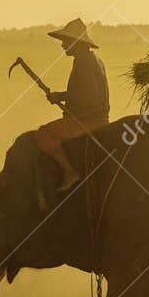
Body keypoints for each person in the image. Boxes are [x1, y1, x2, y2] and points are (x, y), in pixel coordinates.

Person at [33, 17, 111, 191]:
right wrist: (63, 97)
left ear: (76, 43)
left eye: (66, 41)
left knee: (43, 134)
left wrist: (60, 96)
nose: (62, 46)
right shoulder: (93, 60)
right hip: (98, 118)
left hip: (87, 122)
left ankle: (69, 173)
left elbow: (87, 97)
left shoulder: (85, 63)